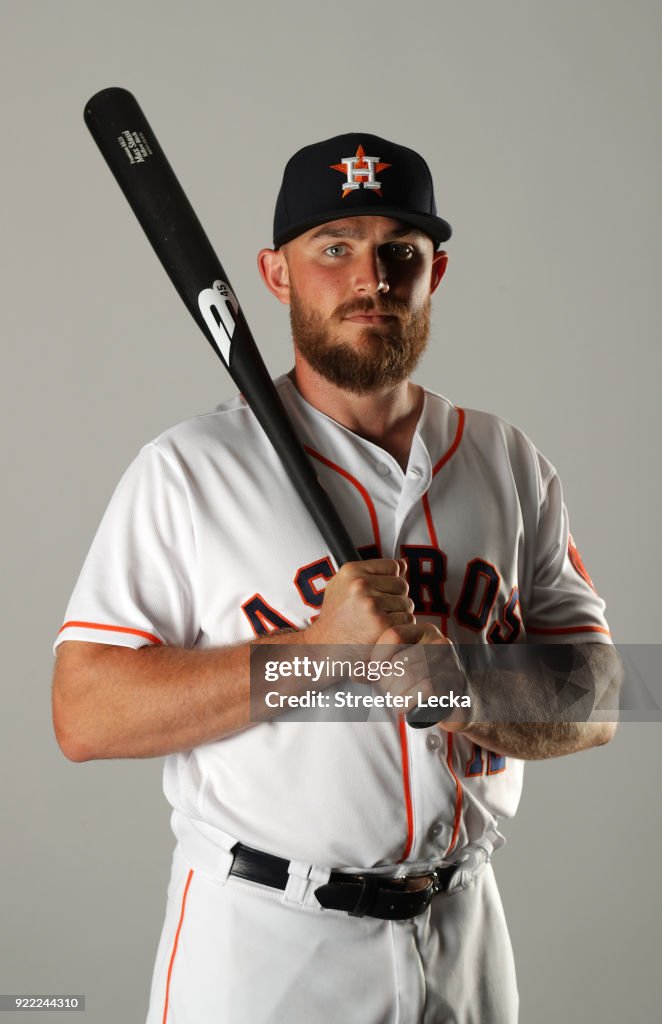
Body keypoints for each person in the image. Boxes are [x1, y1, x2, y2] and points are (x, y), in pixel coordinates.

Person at [52, 133, 620, 1023]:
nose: (372, 279)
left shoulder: (510, 463)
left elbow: (607, 695)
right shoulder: (191, 469)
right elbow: (83, 713)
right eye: (335, 248)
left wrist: (469, 686)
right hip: (264, 945)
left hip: (463, 934)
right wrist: (315, 655)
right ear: (274, 275)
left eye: (401, 252)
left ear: (438, 272)